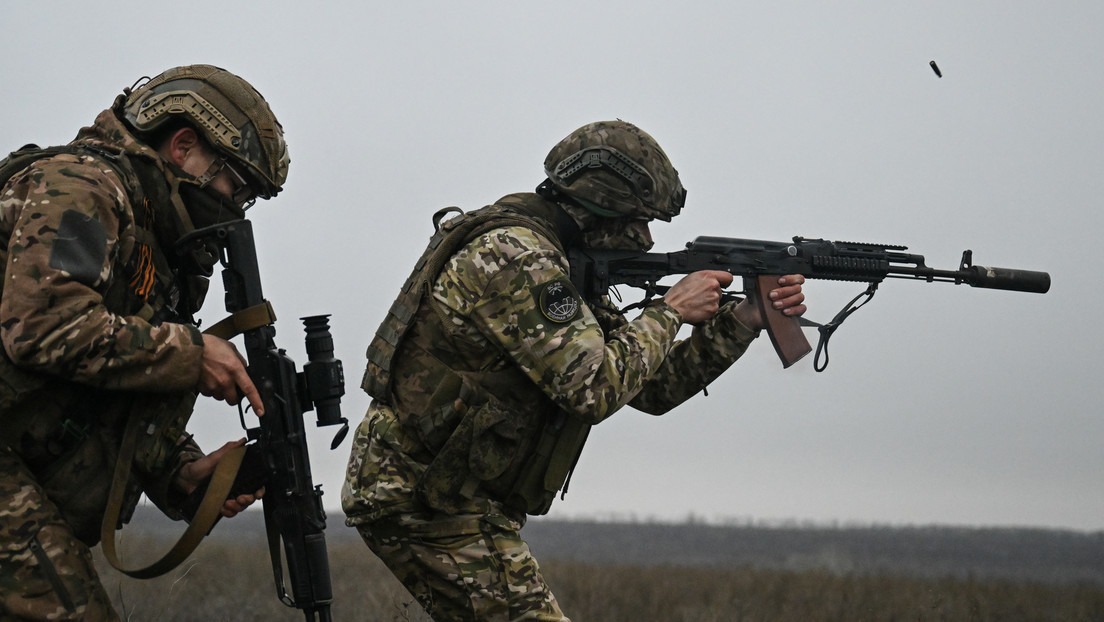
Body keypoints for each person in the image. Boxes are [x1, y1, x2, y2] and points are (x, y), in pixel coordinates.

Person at [342, 120, 808, 621]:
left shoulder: (557, 262)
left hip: (448, 495)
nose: (647, 239)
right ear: (601, 206)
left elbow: (651, 388)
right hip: (421, 500)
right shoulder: (517, 257)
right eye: (638, 221)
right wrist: (669, 311)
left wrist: (744, 320)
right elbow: (593, 389)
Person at [0, 64, 289, 621]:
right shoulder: (82, 188)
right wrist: (192, 353)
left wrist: (183, 474)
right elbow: (43, 327)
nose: (237, 208)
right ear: (184, 146)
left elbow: (108, 396)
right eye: (237, 187)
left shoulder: (159, 254)